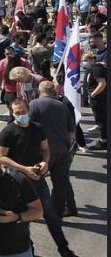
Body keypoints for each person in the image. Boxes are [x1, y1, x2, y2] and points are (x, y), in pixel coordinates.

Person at [0, 99, 81, 257]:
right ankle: (28, 249)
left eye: (23, 111)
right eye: (17, 113)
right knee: (23, 218)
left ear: (28, 110)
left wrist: (45, 163)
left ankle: (64, 248)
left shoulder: (38, 128)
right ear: (12, 113)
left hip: (36, 177)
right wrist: (24, 168)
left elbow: (45, 149)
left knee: (50, 214)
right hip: (17, 180)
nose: (21, 115)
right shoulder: (8, 132)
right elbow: (0, 157)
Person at [27, 81, 76, 217]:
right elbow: (71, 131)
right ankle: (59, 211)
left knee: (36, 182)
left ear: (39, 91)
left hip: (43, 152)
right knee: (61, 183)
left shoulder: (33, 105)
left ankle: (38, 209)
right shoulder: (62, 105)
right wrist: (69, 147)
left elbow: (27, 127)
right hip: (62, 150)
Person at [84, 51, 107, 150]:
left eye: (86, 60)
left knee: (101, 120)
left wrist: (93, 94)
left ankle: (103, 141)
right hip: (98, 97)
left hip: (98, 98)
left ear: (92, 60)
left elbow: (102, 84)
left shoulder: (96, 69)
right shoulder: (95, 68)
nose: (84, 62)